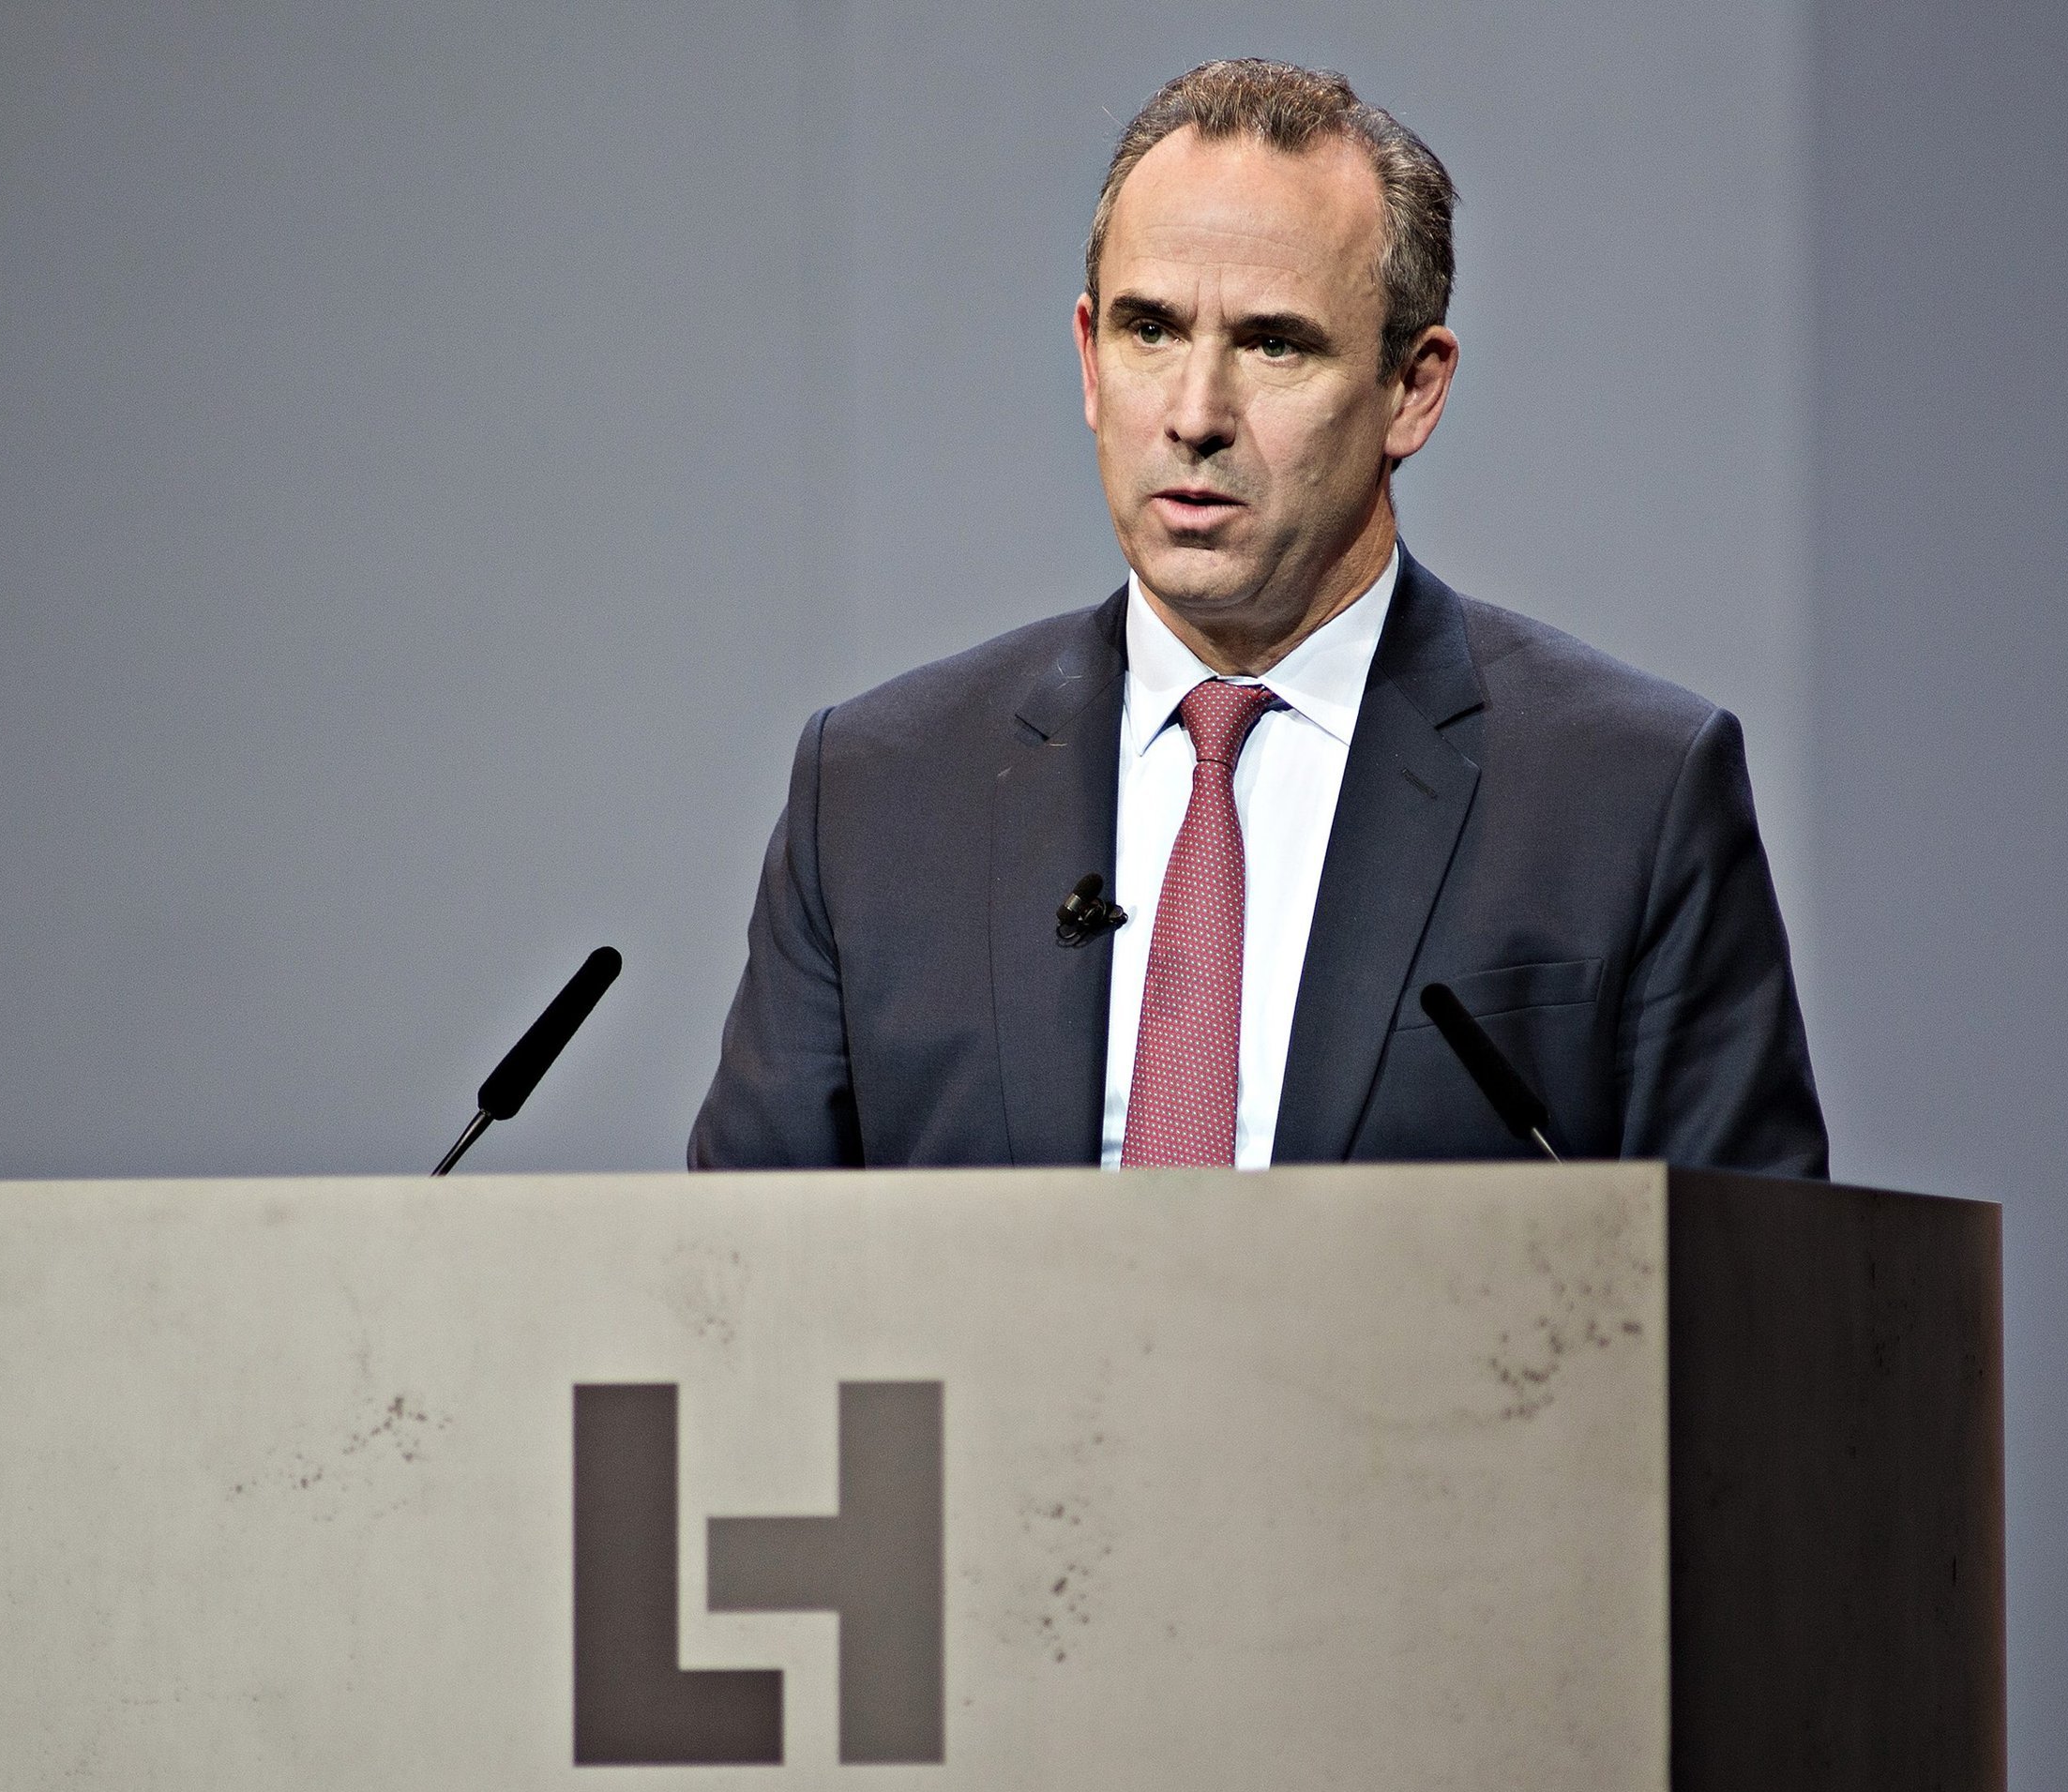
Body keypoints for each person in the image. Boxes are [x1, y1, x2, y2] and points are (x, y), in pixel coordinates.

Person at [690, 58, 1825, 1176]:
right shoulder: (879, 797)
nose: (1195, 414)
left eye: (1273, 343)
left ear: (1412, 389)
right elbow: (728, 1269)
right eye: (1150, 331)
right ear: (1088, 360)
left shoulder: (1628, 797)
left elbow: (1752, 1274)